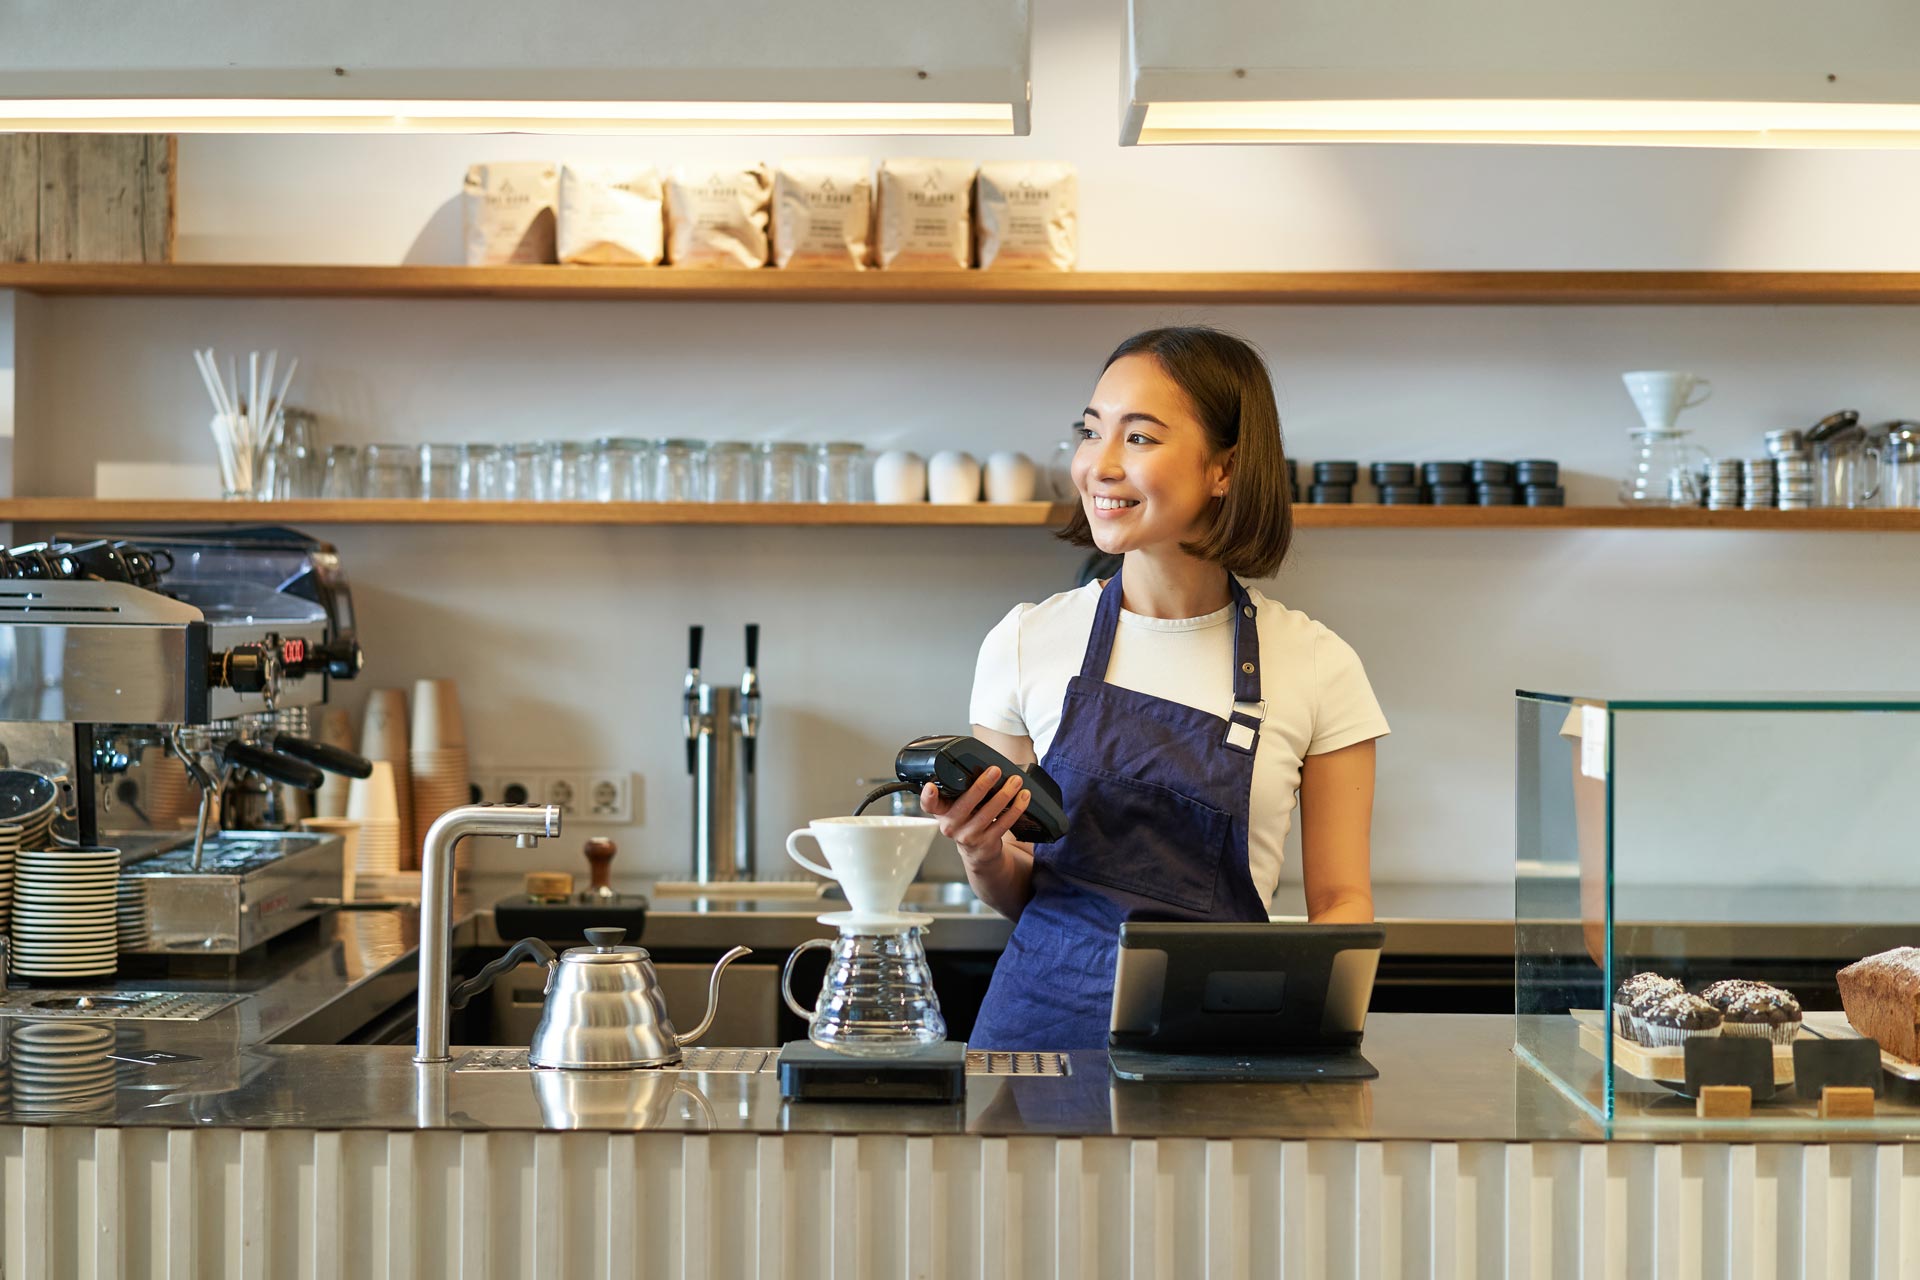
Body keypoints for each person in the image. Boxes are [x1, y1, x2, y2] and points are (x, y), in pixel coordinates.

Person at [924, 326, 1390, 1050]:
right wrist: (983, 854)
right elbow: (1023, 889)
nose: (1098, 466)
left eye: (1139, 438)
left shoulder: (1318, 664)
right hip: (1035, 1047)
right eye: (1090, 431)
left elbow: (1341, 901)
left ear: (1224, 469)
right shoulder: (1024, 641)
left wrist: (1302, 1036)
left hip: (1223, 1050)